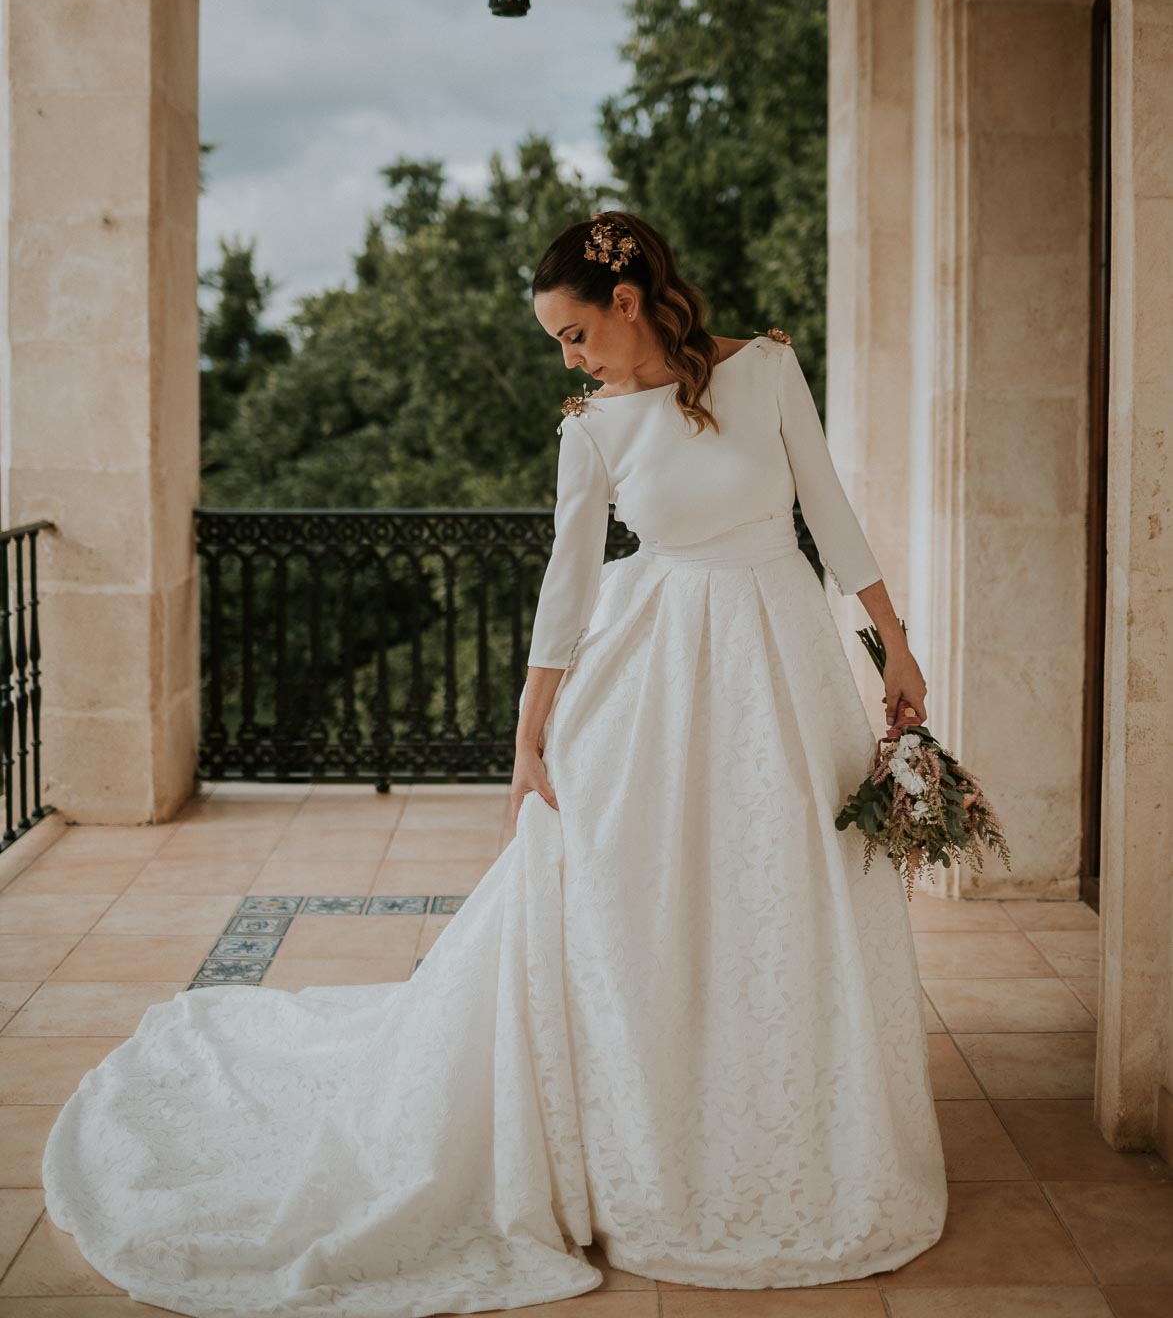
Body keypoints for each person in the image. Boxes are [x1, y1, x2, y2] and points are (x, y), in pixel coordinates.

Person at [40, 210, 947, 1316]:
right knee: (638, 890)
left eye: (573, 333)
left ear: (626, 300)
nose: (568, 359)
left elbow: (831, 512)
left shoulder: (763, 370)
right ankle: (654, 1122)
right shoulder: (595, 427)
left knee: (793, 880)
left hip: (784, 656)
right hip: (656, 669)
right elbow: (566, 587)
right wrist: (528, 734)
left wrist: (892, 639)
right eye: (556, 343)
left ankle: (796, 1119)